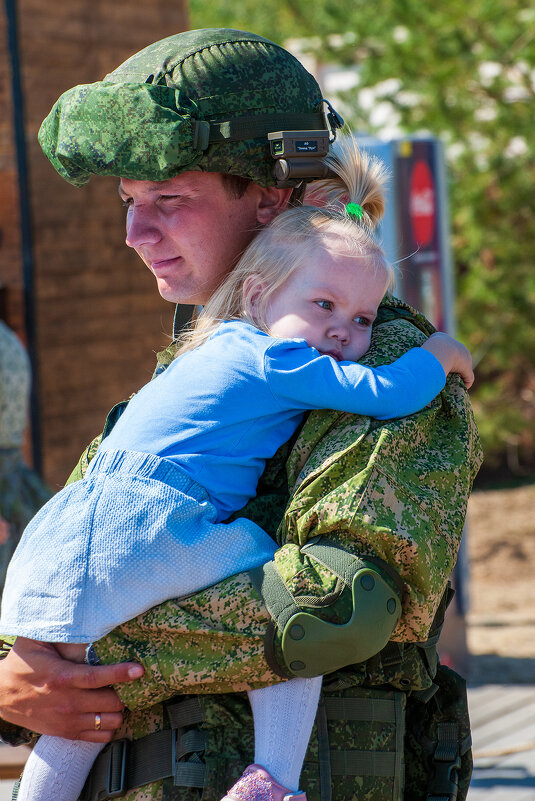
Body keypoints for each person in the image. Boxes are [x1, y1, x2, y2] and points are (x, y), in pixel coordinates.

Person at [0, 29, 482, 801]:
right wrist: (17, 676)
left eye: (168, 201)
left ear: (268, 199)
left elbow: (338, 601)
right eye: (128, 203)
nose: (134, 234)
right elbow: (83, 559)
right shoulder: (197, 367)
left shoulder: (374, 361)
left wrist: (88, 657)